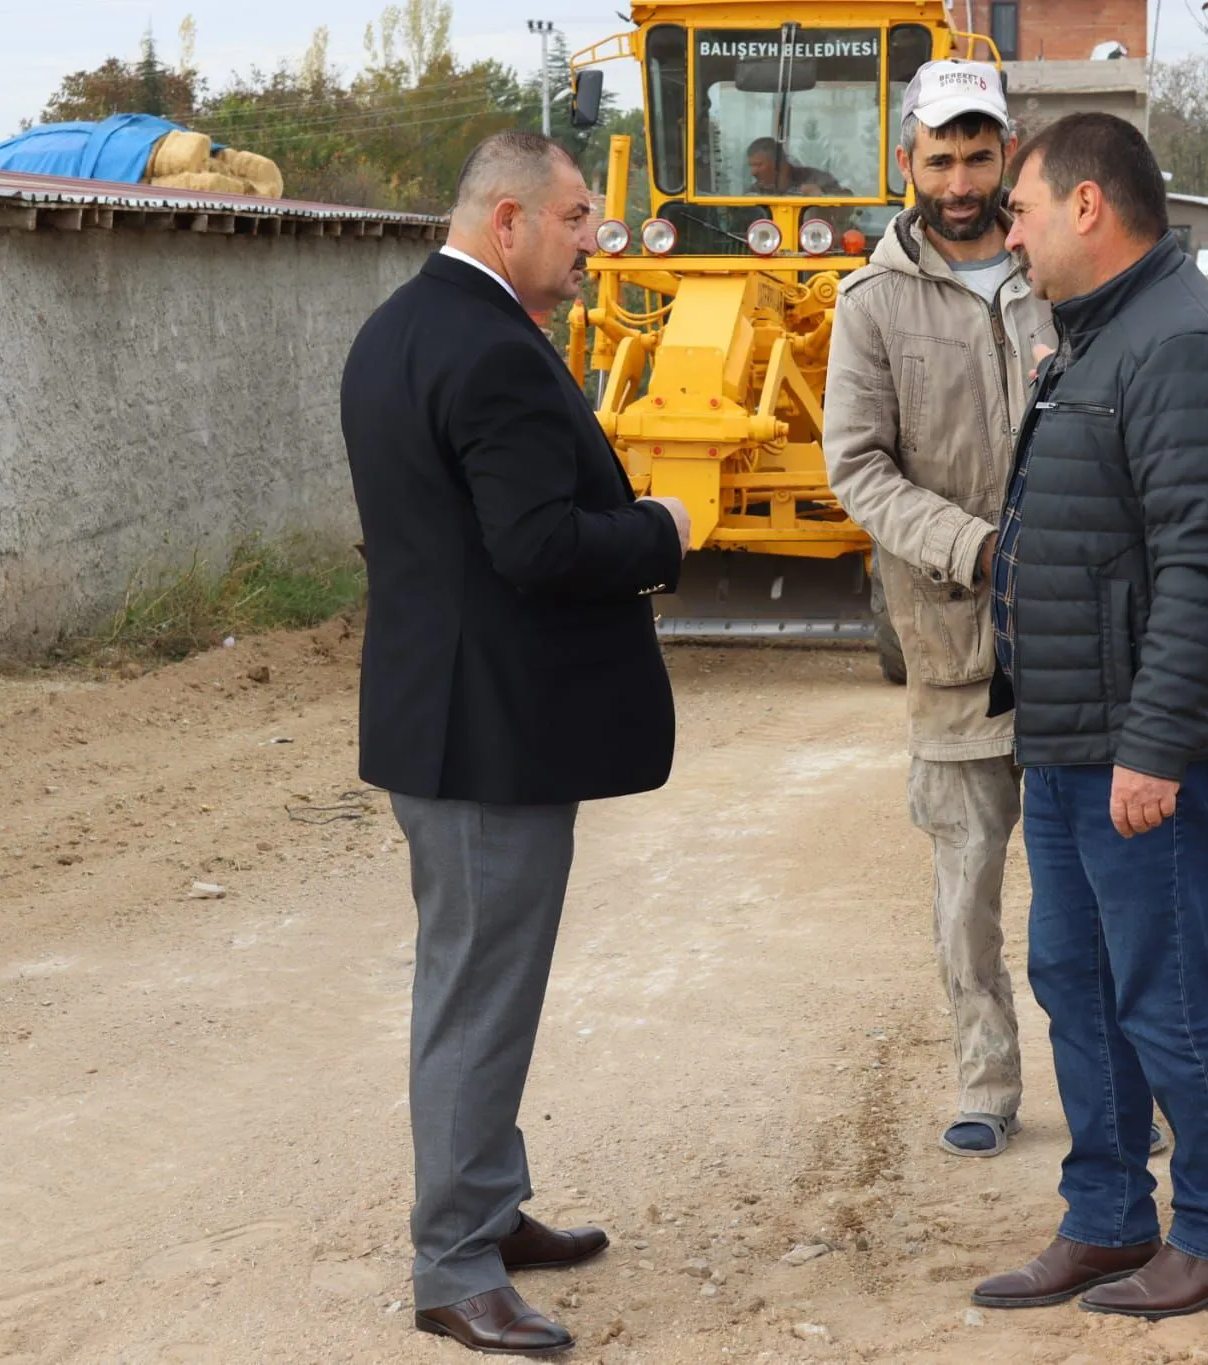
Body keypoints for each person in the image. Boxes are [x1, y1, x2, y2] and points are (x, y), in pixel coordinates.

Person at [339, 130, 693, 1356]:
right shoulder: (491, 352)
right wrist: (659, 528)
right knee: (478, 1000)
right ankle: (451, 1266)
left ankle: (486, 1211)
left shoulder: (394, 331)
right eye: (578, 217)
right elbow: (536, 547)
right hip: (487, 736)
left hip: (444, 720)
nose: (594, 241)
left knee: (475, 984)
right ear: (506, 221)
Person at [972, 112, 1208, 1319]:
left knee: (1159, 989)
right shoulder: (1096, 335)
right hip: (1065, 736)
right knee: (1076, 978)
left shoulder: (1180, 345)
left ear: (1087, 206)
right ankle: (1107, 1221)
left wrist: (1151, 747)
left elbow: (1207, 562)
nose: (1009, 231)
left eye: (1021, 209)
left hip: (1141, 750)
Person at [823, 60, 1062, 1160]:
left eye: (977, 155)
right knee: (966, 885)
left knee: (1090, 890)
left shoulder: (1057, 273)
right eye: (939, 157)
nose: (959, 180)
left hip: (1072, 636)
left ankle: (1124, 1080)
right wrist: (971, 548)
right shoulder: (870, 304)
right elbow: (857, 467)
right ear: (904, 160)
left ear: (1004, 152)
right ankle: (984, 1080)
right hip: (953, 635)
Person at [745, 137, 846, 197]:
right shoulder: (754, 193)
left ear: (779, 164)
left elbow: (848, 204)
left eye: (758, 165)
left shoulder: (817, 180)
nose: (753, 172)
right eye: (751, 166)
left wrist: (822, 198)